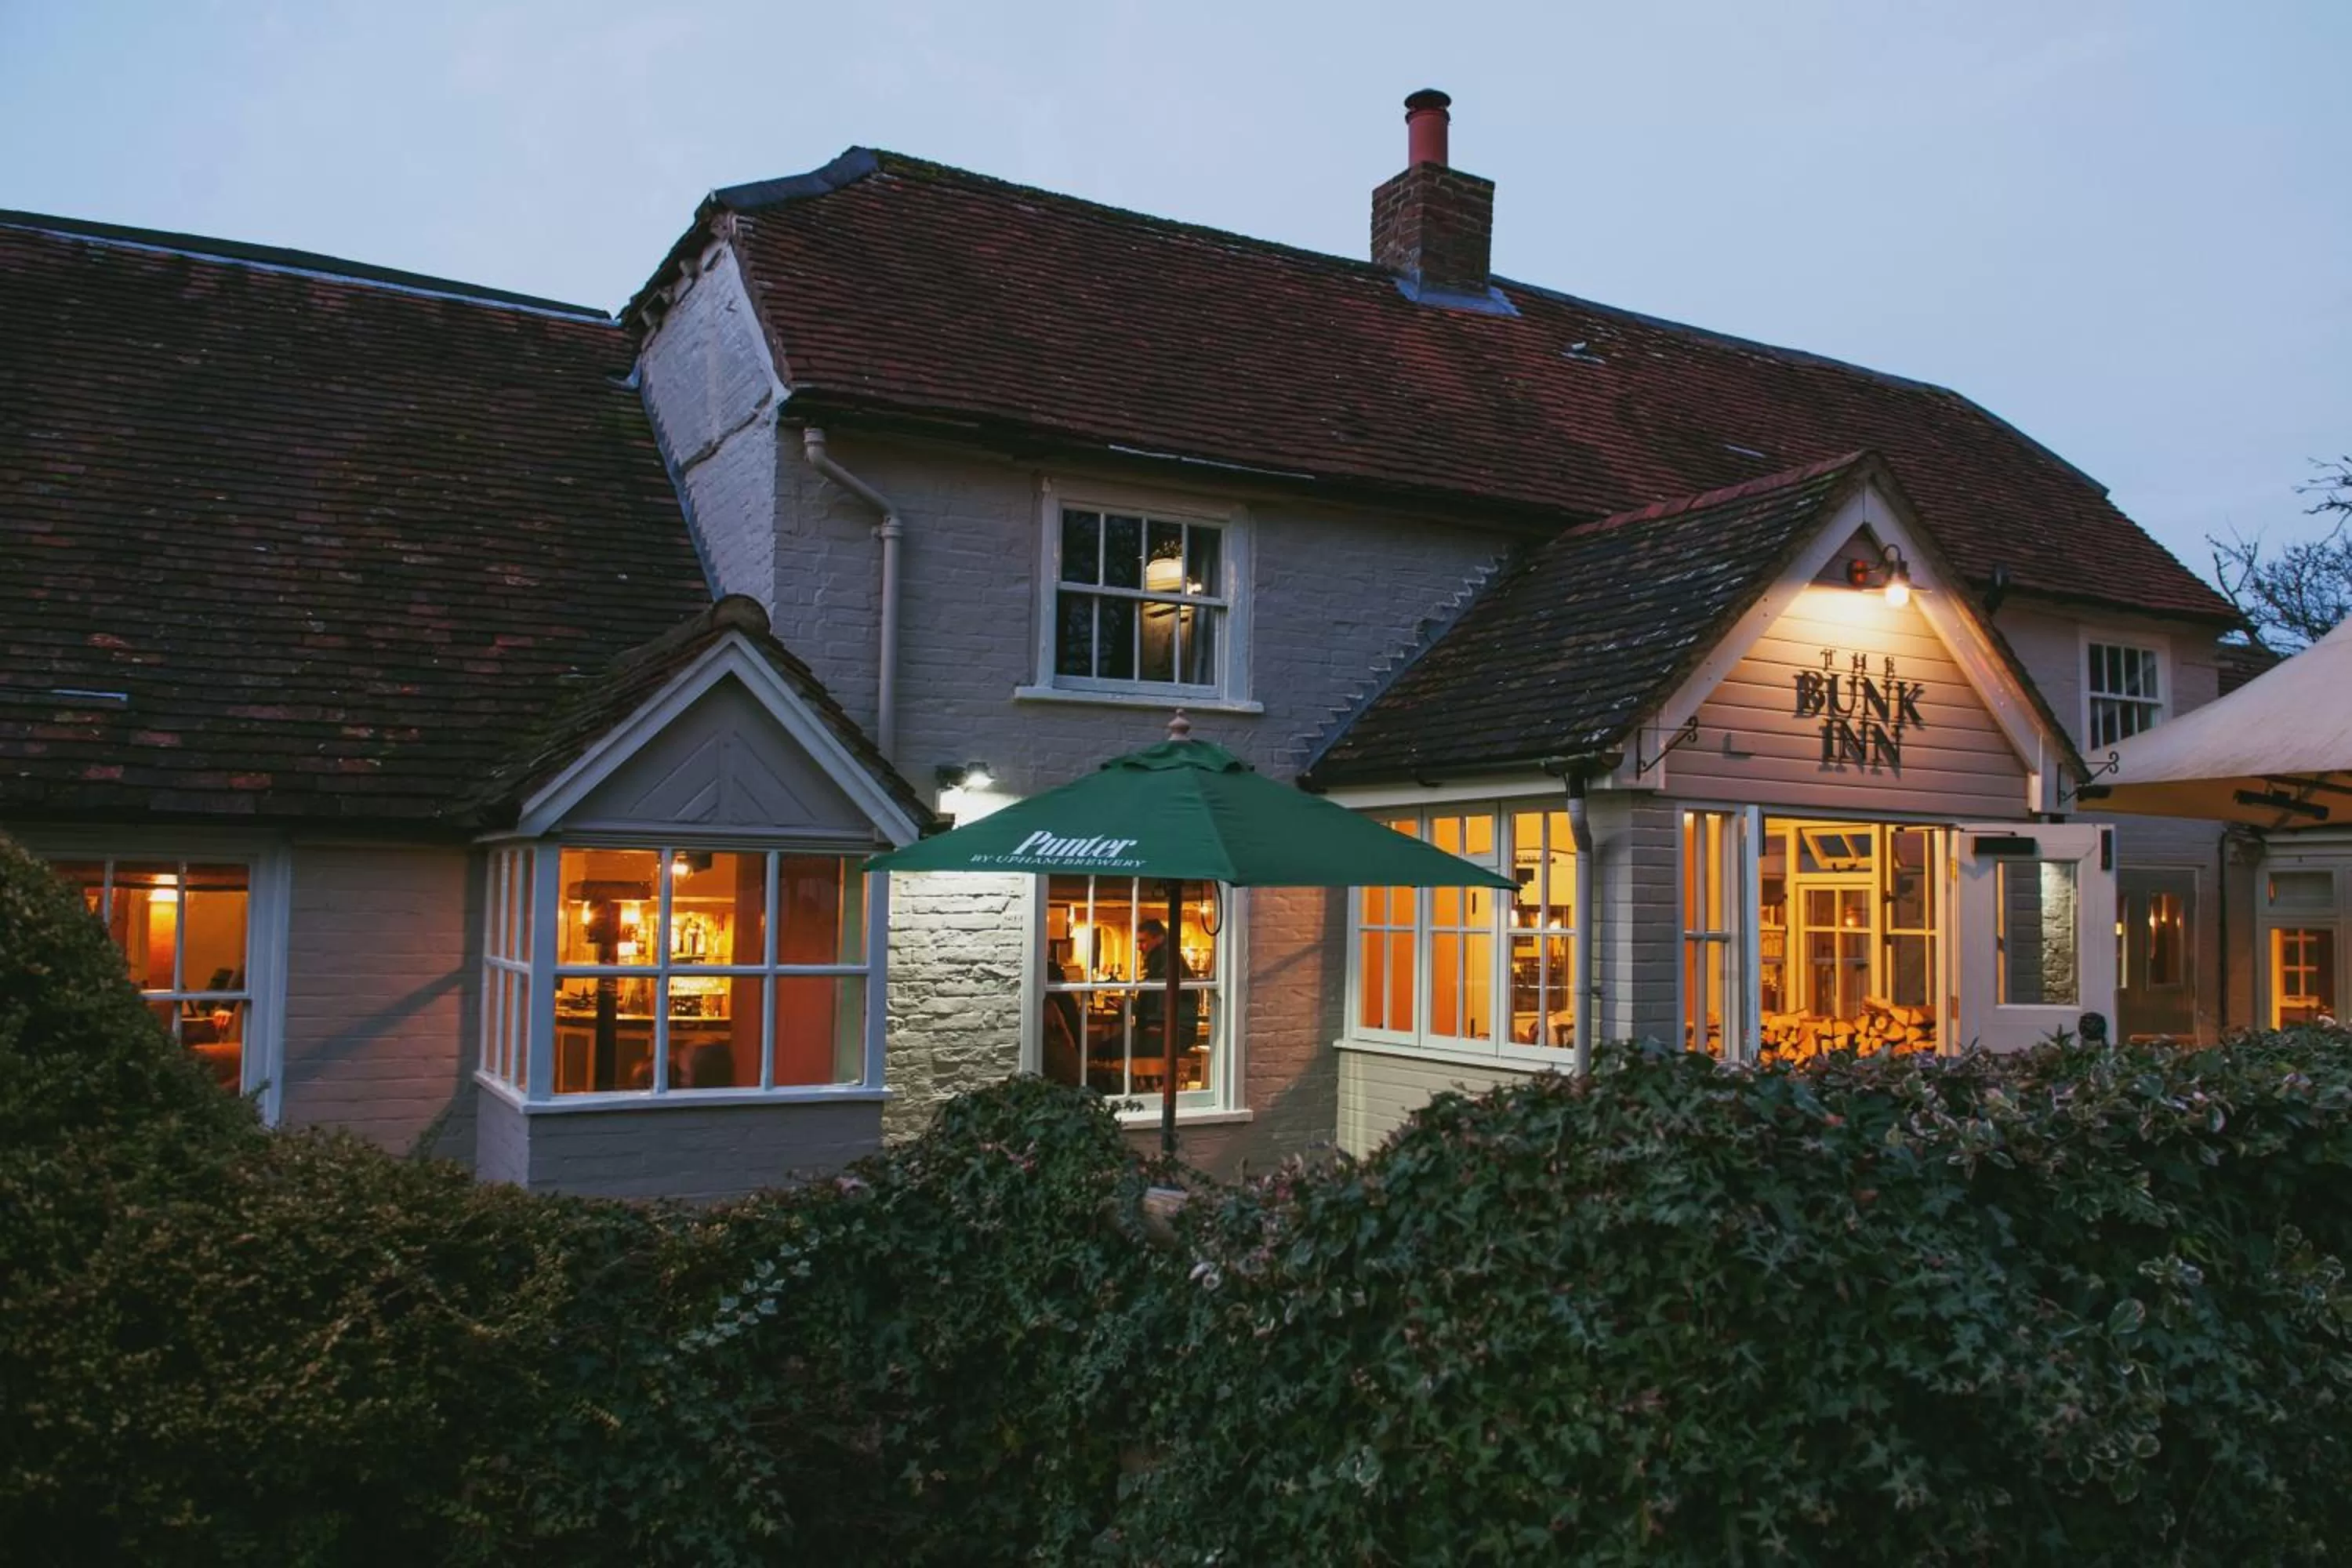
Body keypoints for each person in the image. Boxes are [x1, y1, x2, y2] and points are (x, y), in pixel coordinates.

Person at [1134, 917, 1201, 1083]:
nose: (1139, 947)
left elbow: (1160, 1001)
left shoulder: (1163, 961)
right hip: (1175, 1030)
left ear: (1159, 938)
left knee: (1106, 1050)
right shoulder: (1167, 959)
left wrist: (1155, 1024)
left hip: (1170, 1031)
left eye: (1143, 941)